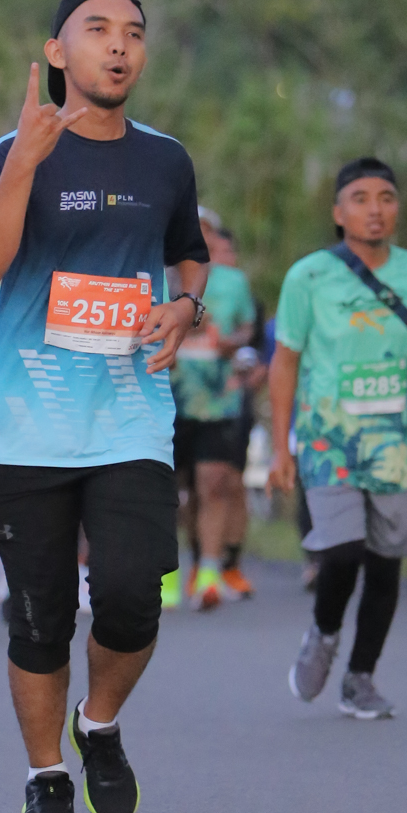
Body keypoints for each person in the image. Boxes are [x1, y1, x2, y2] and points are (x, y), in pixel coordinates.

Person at [0, 0, 210, 813]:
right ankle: (45, 777)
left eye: (133, 32)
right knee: (39, 618)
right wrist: (25, 164)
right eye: (98, 28)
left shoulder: (165, 161)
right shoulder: (10, 152)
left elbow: (189, 255)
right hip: (26, 426)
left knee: (133, 596)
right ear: (56, 52)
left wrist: (186, 307)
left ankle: (98, 723)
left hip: (129, 417)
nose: (119, 45)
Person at [268, 158, 407, 720]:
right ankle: (324, 632)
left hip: (396, 446)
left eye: (386, 197)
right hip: (328, 440)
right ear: (339, 212)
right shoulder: (308, 277)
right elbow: (284, 363)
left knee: (385, 562)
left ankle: (360, 678)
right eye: (360, 198)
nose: (375, 209)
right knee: (342, 550)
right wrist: (281, 448)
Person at [166, 207, 257, 610]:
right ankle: (168, 575)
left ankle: (208, 574)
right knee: (170, 491)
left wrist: (233, 342)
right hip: (166, 397)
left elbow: (247, 328)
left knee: (214, 482)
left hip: (218, 398)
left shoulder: (233, 282)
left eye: (206, 231)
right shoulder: (157, 276)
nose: (198, 236)